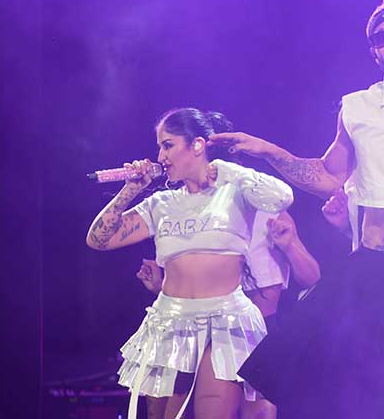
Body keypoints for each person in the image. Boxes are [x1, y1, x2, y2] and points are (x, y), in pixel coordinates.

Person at [212, 0, 384, 419]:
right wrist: (267, 151)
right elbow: (327, 176)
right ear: (374, 52)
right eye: (380, 38)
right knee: (350, 385)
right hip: (374, 266)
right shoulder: (357, 107)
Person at [85, 108, 294, 419]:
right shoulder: (162, 203)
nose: (161, 156)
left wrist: (228, 171)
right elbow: (98, 239)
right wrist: (131, 189)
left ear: (197, 145)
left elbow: (283, 197)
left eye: (168, 145)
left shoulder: (234, 191)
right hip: (171, 321)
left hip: (226, 319)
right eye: (160, 147)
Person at [136, 210, 322, 419]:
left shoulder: (270, 212)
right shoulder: (195, 213)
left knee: (257, 410)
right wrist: (162, 288)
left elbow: (311, 277)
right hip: (196, 334)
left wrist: (289, 245)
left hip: (256, 337)